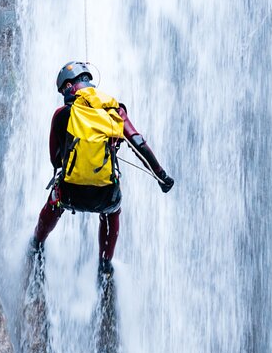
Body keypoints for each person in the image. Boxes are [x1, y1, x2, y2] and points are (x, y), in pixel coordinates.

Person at [29, 61, 174, 283]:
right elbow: (138, 143)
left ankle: (37, 243)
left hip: (69, 193)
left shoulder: (61, 115)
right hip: (105, 195)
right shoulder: (114, 111)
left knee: (54, 202)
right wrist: (160, 175)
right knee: (112, 211)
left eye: (62, 90)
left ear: (69, 86)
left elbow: (55, 160)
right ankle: (105, 264)